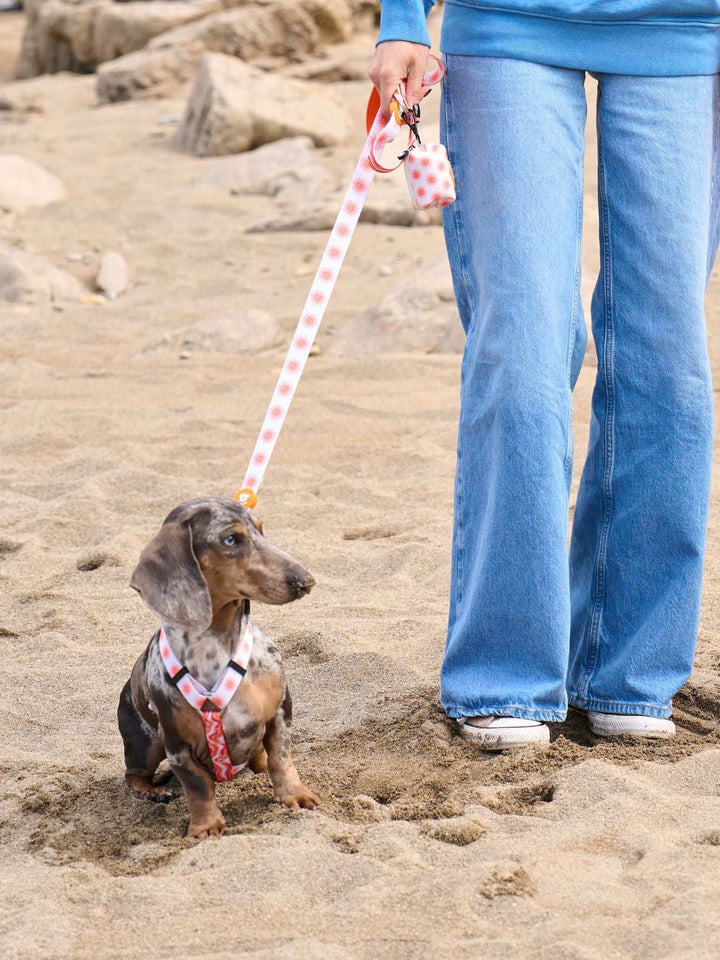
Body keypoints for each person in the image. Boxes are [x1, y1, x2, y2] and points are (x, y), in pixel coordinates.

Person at [370, 0, 720, 749]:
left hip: (688, 31)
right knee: (525, 349)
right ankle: (505, 673)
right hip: (510, 24)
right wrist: (402, 17)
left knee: (670, 366)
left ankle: (626, 673)